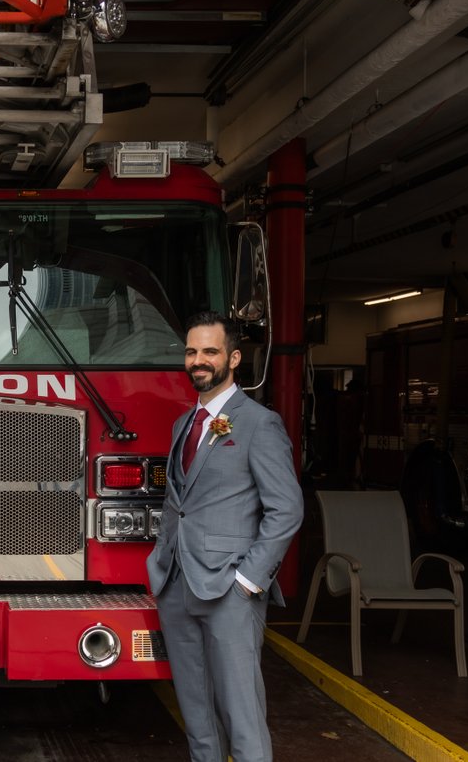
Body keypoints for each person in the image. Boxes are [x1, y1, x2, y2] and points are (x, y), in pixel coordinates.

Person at [146, 312, 304, 762]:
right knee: (196, 718)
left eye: (210, 351)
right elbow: (181, 501)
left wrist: (249, 580)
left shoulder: (259, 423)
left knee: (242, 717)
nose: (198, 360)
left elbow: (287, 508)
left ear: (233, 358)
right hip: (177, 585)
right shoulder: (183, 425)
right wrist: (161, 563)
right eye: (192, 351)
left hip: (230, 590)